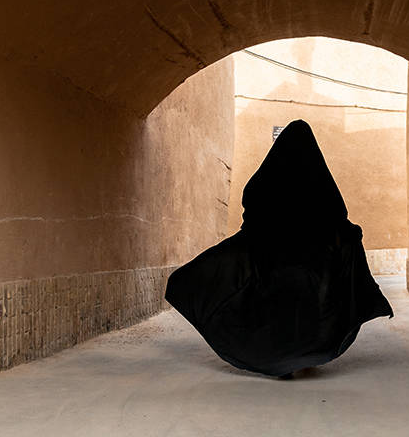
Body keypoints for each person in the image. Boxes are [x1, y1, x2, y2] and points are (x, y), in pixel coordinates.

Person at [165, 119, 393, 378]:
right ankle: (302, 358)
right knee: (307, 312)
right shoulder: (320, 184)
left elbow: (250, 219)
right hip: (311, 273)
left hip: (270, 270)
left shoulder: (264, 183)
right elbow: (337, 220)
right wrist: (350, 237)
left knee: (273, 313)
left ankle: (278, 361)